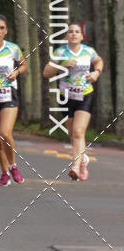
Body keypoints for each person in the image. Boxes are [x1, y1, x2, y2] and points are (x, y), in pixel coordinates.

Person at [43, 23, 103, 180]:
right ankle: (83, 160)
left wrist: (96, 73)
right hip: (66, 97)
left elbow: (99, 62)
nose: (74, 34)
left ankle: (75, 167)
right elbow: (46, 72)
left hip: (85, 94)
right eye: (70, 32)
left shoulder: (88, 51)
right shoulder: (60, 52)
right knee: (72, 134)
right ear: (66, 36)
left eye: (77, 32)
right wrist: (63, 66)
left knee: (78, 132)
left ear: (82, 36)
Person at [0, 14, 28, 185]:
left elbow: (23, 65)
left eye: (1, 28)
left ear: (6, 31)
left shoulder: (12, 48)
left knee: (5, 133)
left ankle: (13, 166)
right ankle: (4, 173)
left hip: (8, 94)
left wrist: (16, 72)